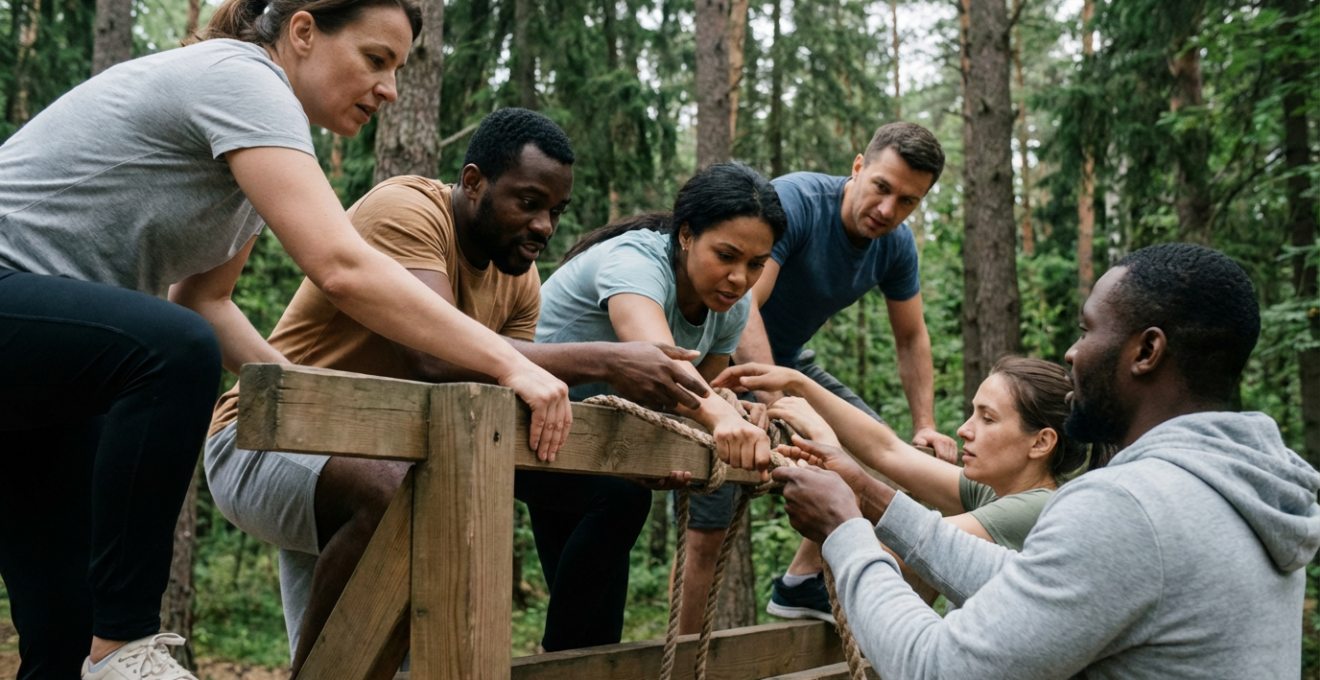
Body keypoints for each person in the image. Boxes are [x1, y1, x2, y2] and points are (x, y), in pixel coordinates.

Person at [0, 2, 578, 678]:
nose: (389, 89)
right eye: (375, 59)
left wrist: (312, 401)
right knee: (172, 351)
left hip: (56, 370)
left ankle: (98, 651)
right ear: (303, 32)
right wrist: (512, 363)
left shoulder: (253, 147)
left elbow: (205, 299)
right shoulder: (244, 81)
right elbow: (340, 267)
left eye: (396, 69)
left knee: (62, 637)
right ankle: (126, 643)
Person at [204, 107, 709, 669]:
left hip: (390, 464)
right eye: (528, 202)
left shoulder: (519, 283)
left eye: (556, 211)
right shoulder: (408, 211)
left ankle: (572, 663)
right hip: (266, 442)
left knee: (611, 493)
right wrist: (608, 360)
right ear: (473, 183)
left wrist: (624, 454)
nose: (544, 225)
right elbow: (433, 356)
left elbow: (507, 404)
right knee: (402, 503)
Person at [774, 243, 1320, 679]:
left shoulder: (1129, 505)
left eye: (1087, 330)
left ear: (1146, 352)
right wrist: (865, 493)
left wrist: (846, 531)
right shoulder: (1237, 490)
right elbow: (1026, 579)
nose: (1071, 353)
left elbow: (935, 665)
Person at [721, 121, 960, 621]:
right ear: (858, 167)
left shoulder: (895, 246)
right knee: (712, 511)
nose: (888, 210)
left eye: (908, 202)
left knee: (881, 452)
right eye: (882, 188)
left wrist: (925, 425)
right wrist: (774, 402)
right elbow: (743, 304)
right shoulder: (797, 203)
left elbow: (912, 337)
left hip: (790, 363)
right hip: (723, 351)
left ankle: (799, 582)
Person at [537, 161, 787, 636]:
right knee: (620, 505)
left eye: (756, 264)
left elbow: (687, 401)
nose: (739, 278)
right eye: (727, 255)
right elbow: (661, 365)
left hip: (592, 451)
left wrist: (728, 411)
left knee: (597, 632)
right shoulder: (635, 260)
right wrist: (720, 417)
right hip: (524, 423)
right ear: (687, 234)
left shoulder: (729, 308)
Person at [717, 355, 1094, 609]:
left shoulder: (1037, 508)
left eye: (987, 419)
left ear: (1041, 442)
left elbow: (898, 544)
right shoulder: (996, 492)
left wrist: (824, 439)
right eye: (972, 415)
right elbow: (888, 451)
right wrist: (801, 384)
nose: (964, 430)